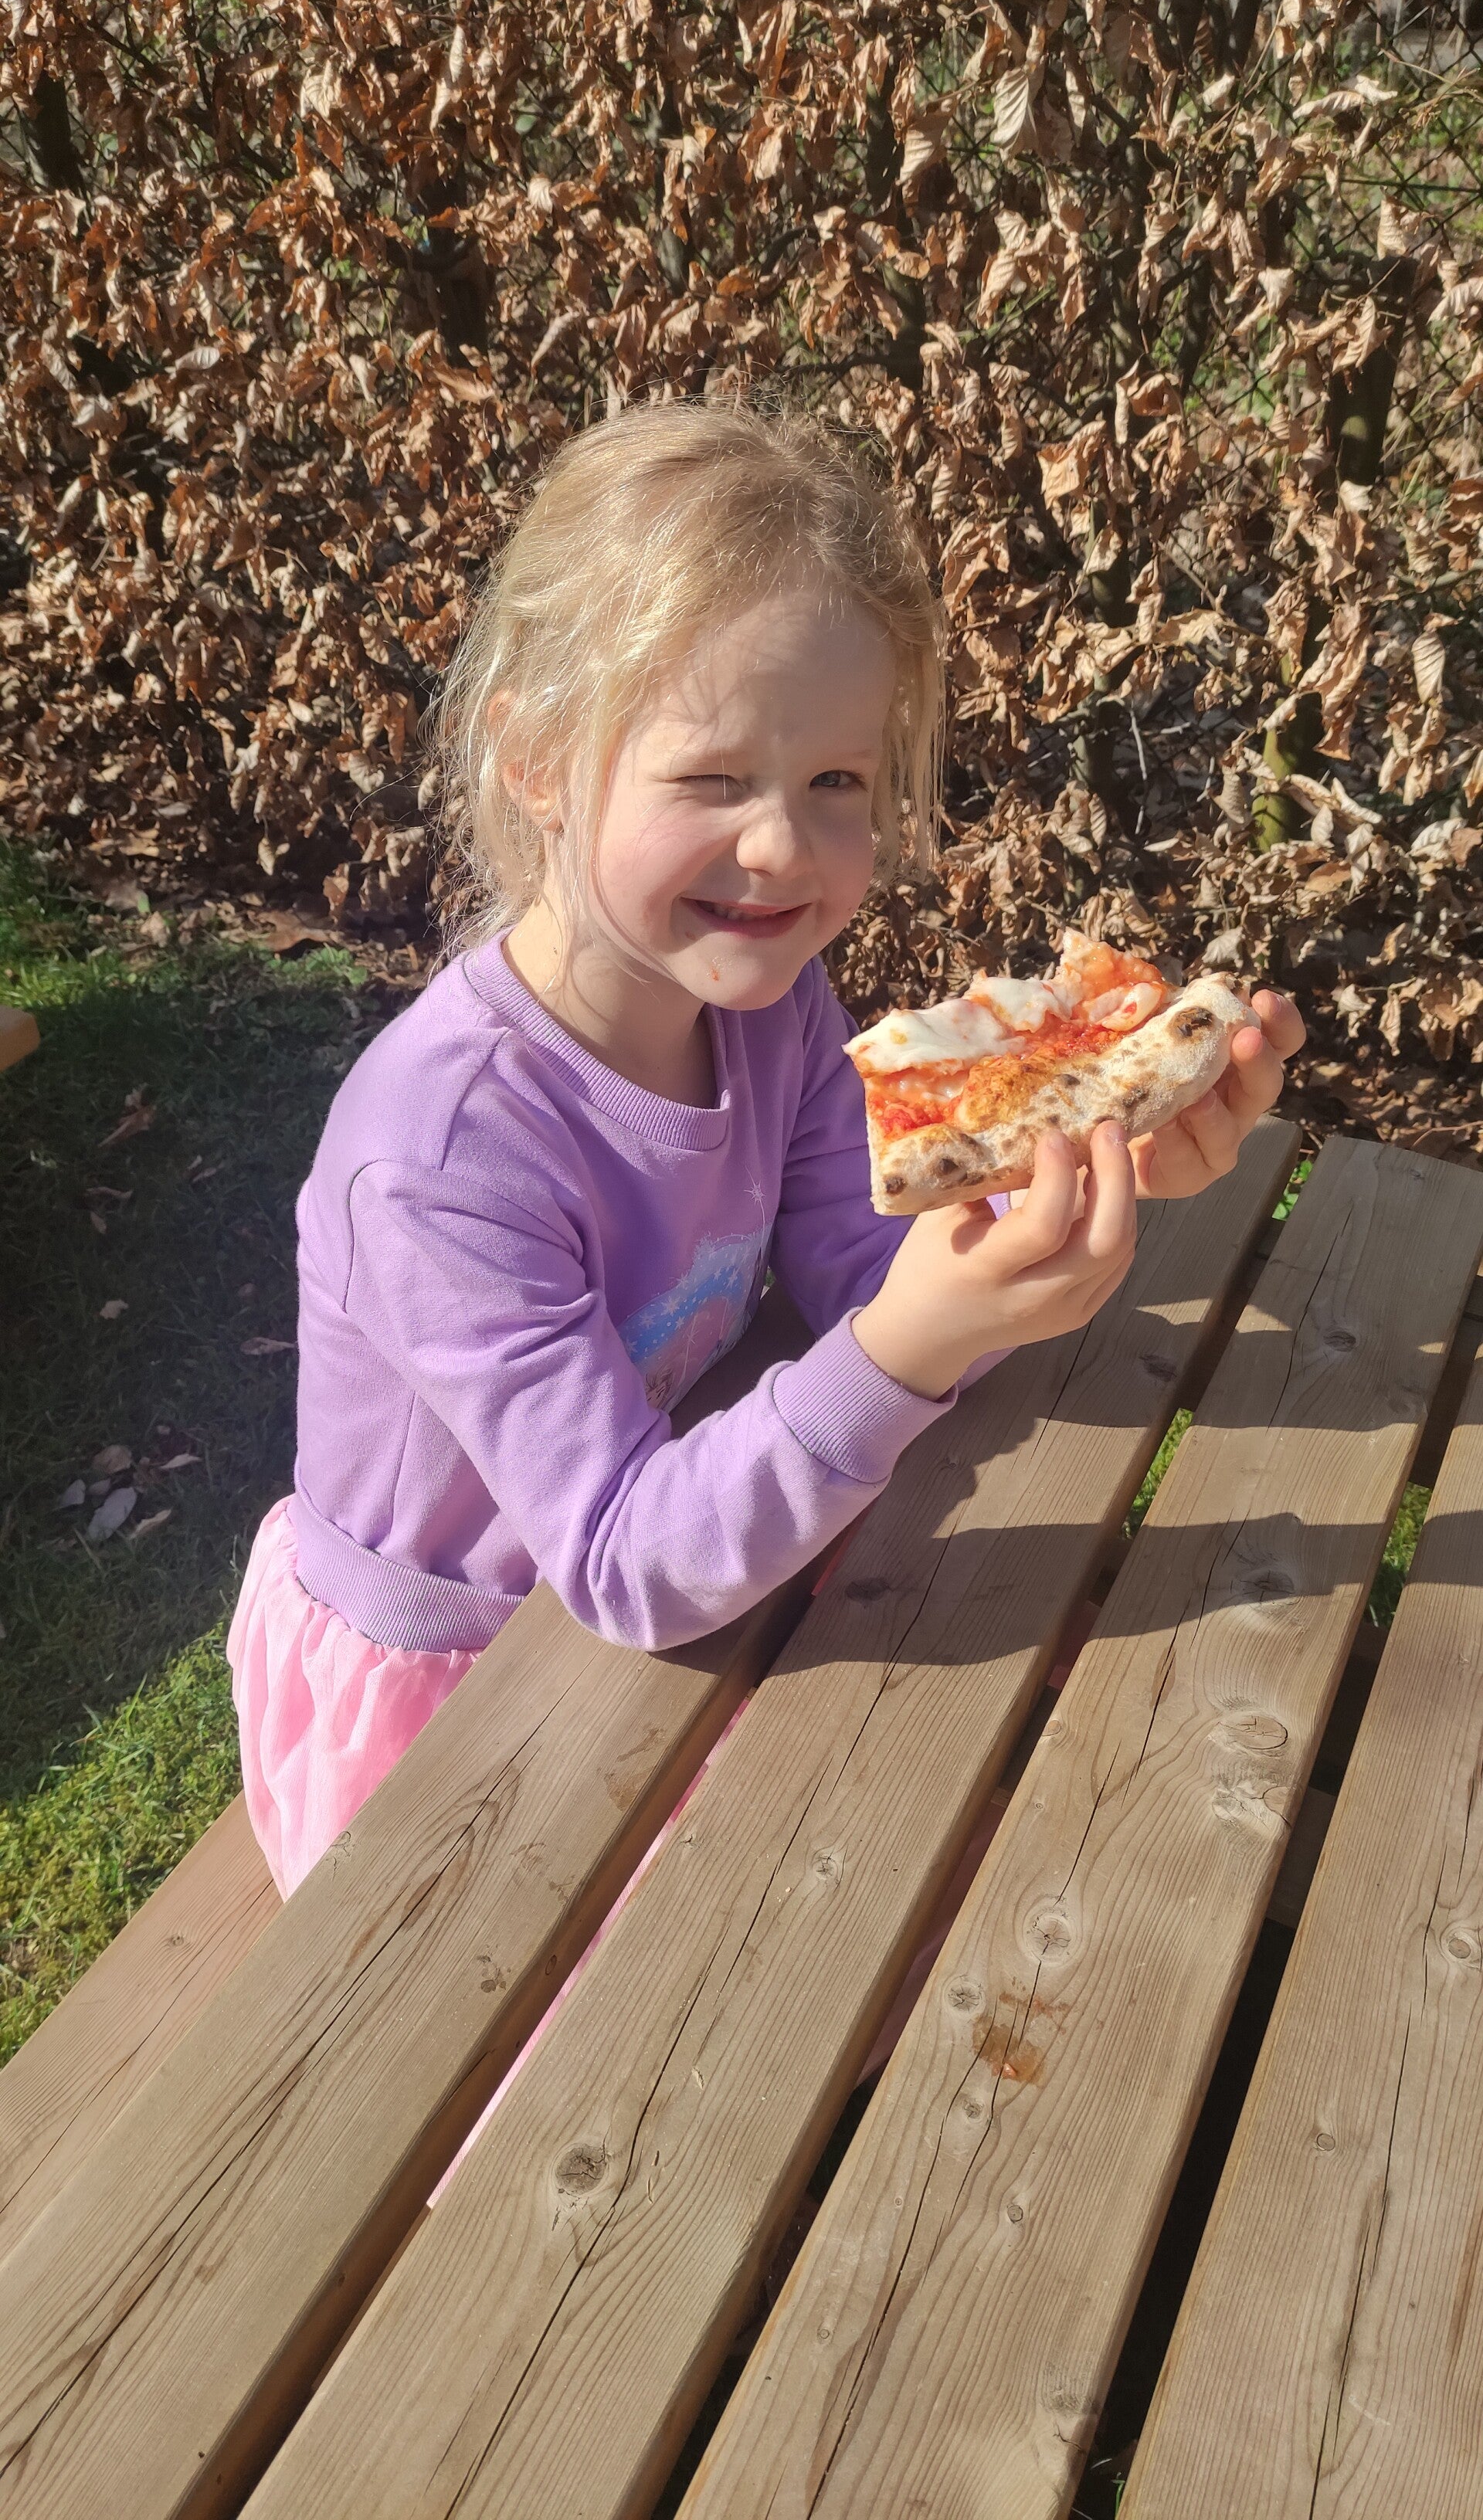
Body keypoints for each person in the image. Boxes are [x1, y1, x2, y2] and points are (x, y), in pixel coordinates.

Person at [227, 402, 1303, 1898]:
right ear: (539, 759)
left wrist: (1062, 1178)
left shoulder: (771, 1009)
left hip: (685, 1562)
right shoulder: (443, 1157)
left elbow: (867, 1268)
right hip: (451, 1694)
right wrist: (912, 1344)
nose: (785, 848)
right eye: (712, 778)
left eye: (834, 783)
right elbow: (625, 1558)